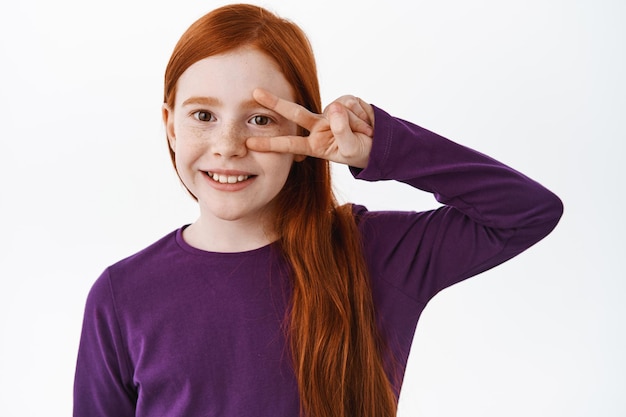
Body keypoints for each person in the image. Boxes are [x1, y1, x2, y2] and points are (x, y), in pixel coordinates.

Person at [73, 3, 563, 417]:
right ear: (170, 125)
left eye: (260, 119)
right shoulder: (121, 296)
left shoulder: (372, 254)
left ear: (304, 133)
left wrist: (383, 149)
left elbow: (526, 212)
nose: (228, 145)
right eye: (203, 115)